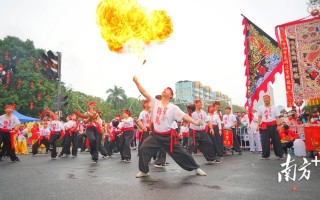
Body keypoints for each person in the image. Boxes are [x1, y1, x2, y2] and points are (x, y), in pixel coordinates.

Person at [133, 75, 207, 178]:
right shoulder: (155, 102)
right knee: (143, 149)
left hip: (168, 137)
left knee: (182, 153)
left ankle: (196, 168)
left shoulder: (173, 108)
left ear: (171, 95)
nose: (164, 90)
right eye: (164, 89)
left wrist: (194, 122)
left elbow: (184, 116)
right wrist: (136, 82)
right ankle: (144, 171)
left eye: (167, 90)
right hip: (155, 135)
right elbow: (144, 92)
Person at [256, 94, 284, 160]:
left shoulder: (274, 108)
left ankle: (280, 155)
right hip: (264, 126)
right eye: (264, 99)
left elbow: (277, 117)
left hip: (273, 125)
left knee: (276, 140)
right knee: (265, 141)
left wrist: (279, 125)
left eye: (267, 99)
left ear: (270, 99)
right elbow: (259, 117)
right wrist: (257, 126)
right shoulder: (260, 108)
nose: (266, 100)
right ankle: (265, 155)